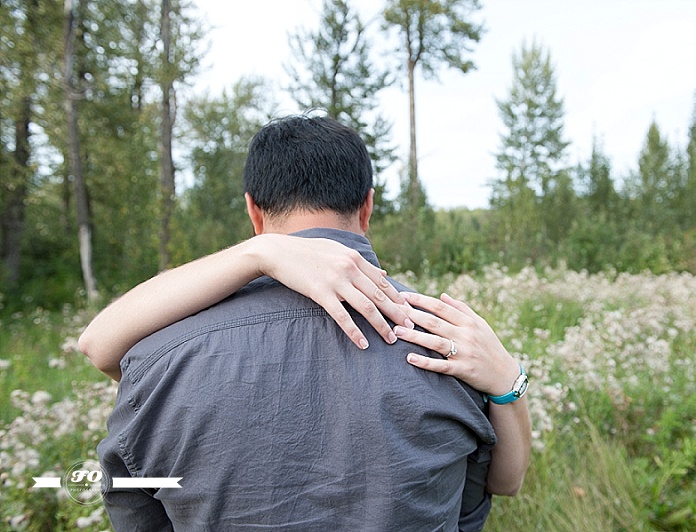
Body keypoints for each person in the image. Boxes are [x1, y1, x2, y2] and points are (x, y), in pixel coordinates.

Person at [86, 115, 530, 531]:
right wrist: (511, 382)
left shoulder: (159, 359)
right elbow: (482, 496)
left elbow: (135, 508)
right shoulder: (449, 343)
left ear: (253, 211)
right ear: (367, 206)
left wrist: (255, 253)